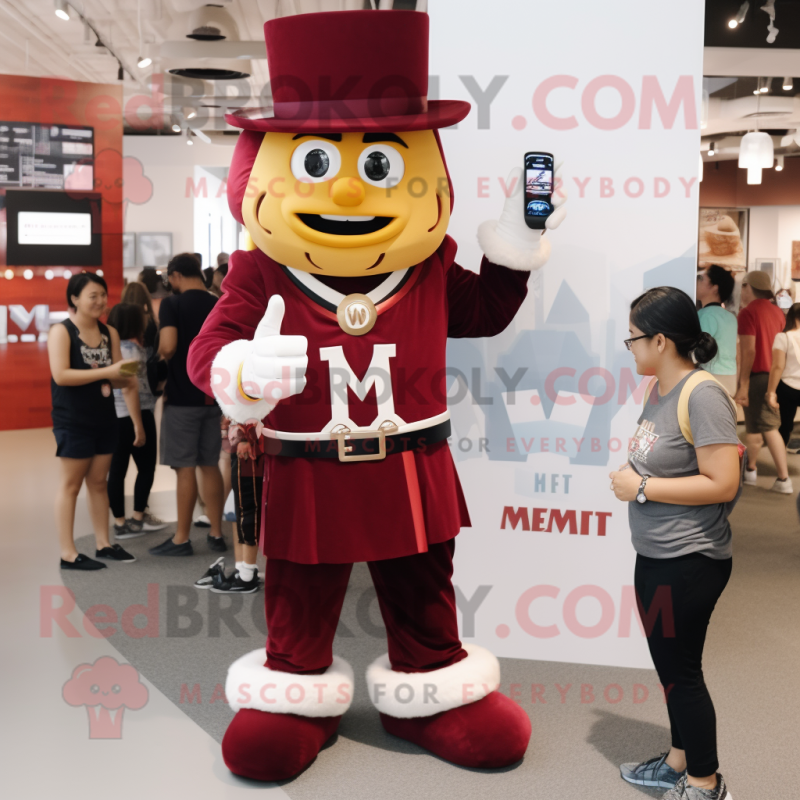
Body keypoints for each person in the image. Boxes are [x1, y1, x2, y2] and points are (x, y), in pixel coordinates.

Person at [610, 286, 741, 800]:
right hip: (658, 554)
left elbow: (723, 482)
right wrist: (638, 474)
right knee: (670, 668)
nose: (631, 348)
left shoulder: (702, 394)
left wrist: (641, 486)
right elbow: (665, 458)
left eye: (634, 339)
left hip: (691, 559)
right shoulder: (657, 390)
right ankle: (678, 762)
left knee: (681, 673)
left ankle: (706, 784)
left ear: (660, 340)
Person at [48, 273, 137, 569]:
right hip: (72, 419)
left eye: (103, 294)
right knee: (71, 485)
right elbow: (61, 375)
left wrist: (126, 377)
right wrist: (107, 372)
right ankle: (68, 553)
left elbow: (113, 379)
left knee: (99, 482)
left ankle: (104, 544)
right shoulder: (62, 332)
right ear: (74, 299)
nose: (100, 301)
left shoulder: (108, 332)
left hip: (104, 417)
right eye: (92, 295)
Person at [149, 253, 226, 557]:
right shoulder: (217, 302)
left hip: (182, 398)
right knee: (210, 464)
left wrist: (156, 359)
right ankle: (217, 533)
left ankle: (181, 538)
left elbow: (168, 345)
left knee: (184, 468)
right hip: (214, 396)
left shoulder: (172, 304)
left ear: (175, 276)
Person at [106, 303, 166, 538]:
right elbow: (129, 390)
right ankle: (137, 518)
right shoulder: (132, 351)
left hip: (117, 417)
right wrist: (138, 426)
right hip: (136, 415)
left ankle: (120, 522)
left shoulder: (115, 349)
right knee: (146, 468)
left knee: (117, 471)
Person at [734, 270, 792, 493]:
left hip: (759, 378)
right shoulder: (778, 313)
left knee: (768, 428)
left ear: (748, 287)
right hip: (775, 376)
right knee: (755, 427)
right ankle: (750, 470)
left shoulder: (748, 313)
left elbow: (749, 351)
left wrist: (743, 384)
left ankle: (784, 479)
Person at [696, 266, 737, 397]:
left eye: (701, 279)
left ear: (715, 287)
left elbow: (696, 350)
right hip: (730, 378)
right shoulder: (730, 317)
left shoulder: (705, 315)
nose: (697, 282)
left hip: (710, 379)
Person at [767, 302, 800, 446]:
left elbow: (778, 367)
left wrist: (771, 392)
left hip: (788, 387)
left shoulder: (783, 337)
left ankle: (780, 459)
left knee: (785, 426)